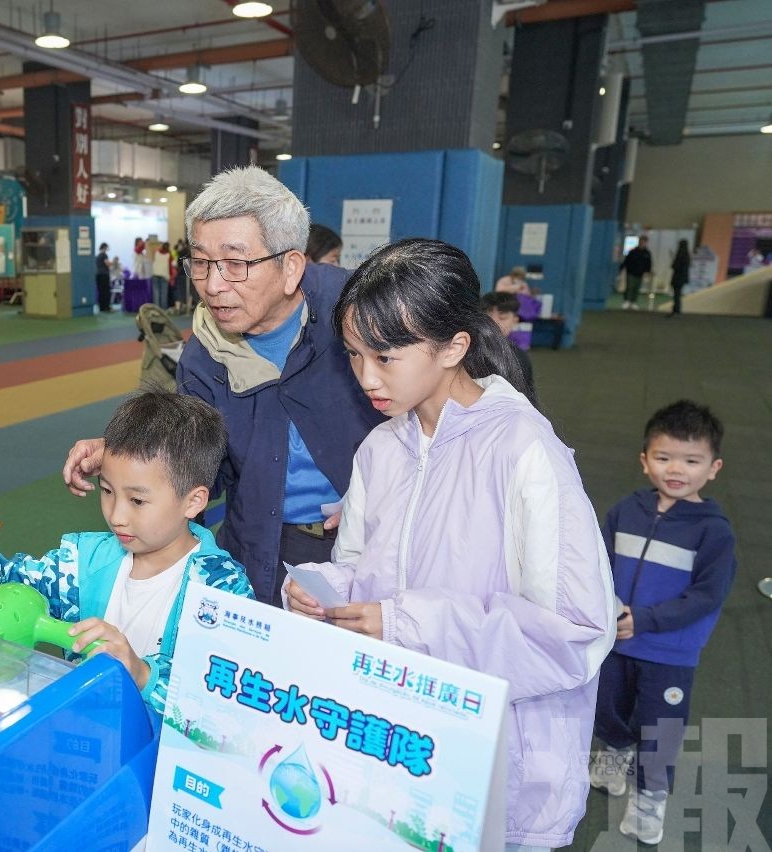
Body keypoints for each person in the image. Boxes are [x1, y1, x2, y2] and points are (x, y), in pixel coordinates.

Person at [284, 238, 616, 850]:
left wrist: (406, 624)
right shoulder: (382, 448)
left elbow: (574, 633)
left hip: (502, 773)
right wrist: (323, 595)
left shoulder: (525, 451)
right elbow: (358, 567)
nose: (366, 378)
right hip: (404, 751)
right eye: (355, 356)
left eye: (385, 357)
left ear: (454, 346)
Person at [63, 166, 383, 605]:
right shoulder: (203, 354)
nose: (213, 286)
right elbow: (201, 468)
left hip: (366, 547)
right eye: (201, 262)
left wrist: (382, 495)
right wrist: (130, 454)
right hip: (256, 546)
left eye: (235, 264)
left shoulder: (362, 313)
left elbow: (435, 409)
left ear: (291, 267)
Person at [0, 390, 253, 716]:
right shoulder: (82, 564)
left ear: (193, 501)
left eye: (137, 500)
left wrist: (142, 674)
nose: (116, 515)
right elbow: (3, 575)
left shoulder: (220, 588)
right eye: (107, 491)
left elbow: (225, 706)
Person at [589, 401, 734, 846]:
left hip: (669, 652)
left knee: (660, 726)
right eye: (664, 457)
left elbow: (706, 596)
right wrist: (607, 612)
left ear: (713, 468)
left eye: (692, 461)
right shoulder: (625, 511)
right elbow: (600, 566)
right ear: (644, 460)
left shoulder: (714, 531)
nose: (677, 470)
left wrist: (647, 620)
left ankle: (651, 796)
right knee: (608, 707)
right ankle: (613, 757)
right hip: (617, 640)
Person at [480, 291, 537, 404]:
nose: (494, 323)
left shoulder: (519, 358)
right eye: (488, 316)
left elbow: (528, 399)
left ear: (514, 320)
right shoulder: (466, 351)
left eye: (503, 317)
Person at [621, 237, 652, 309]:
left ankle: (633, 302)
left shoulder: (647, 253)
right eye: (641, 241)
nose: (642, 243)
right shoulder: (633, 251)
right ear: (639, 242)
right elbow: (626, 261)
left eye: (644, 242)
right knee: (629, 287)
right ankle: (627, 301)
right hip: (631, 272)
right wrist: (622, 268)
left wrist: (647, 272)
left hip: (640, 274)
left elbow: (649, 263)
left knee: (636, 287)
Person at [668, 239, 690, 317]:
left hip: (677, 278)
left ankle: (676, 310)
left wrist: (673, 260)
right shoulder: (687, 255)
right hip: (682, 279)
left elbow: (675, 266)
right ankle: (676, 310)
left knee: (676, 295)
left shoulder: (680, 255)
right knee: (678, 294)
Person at [95, 241, 112, 312]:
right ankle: (106, 307)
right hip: (104, 275)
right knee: (106, 291)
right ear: (105, 247)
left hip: (98, 275)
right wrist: (113, 262)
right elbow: (107, 264)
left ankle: (101, 307)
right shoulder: (104, 255)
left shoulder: (98, 256)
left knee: (101, 291)